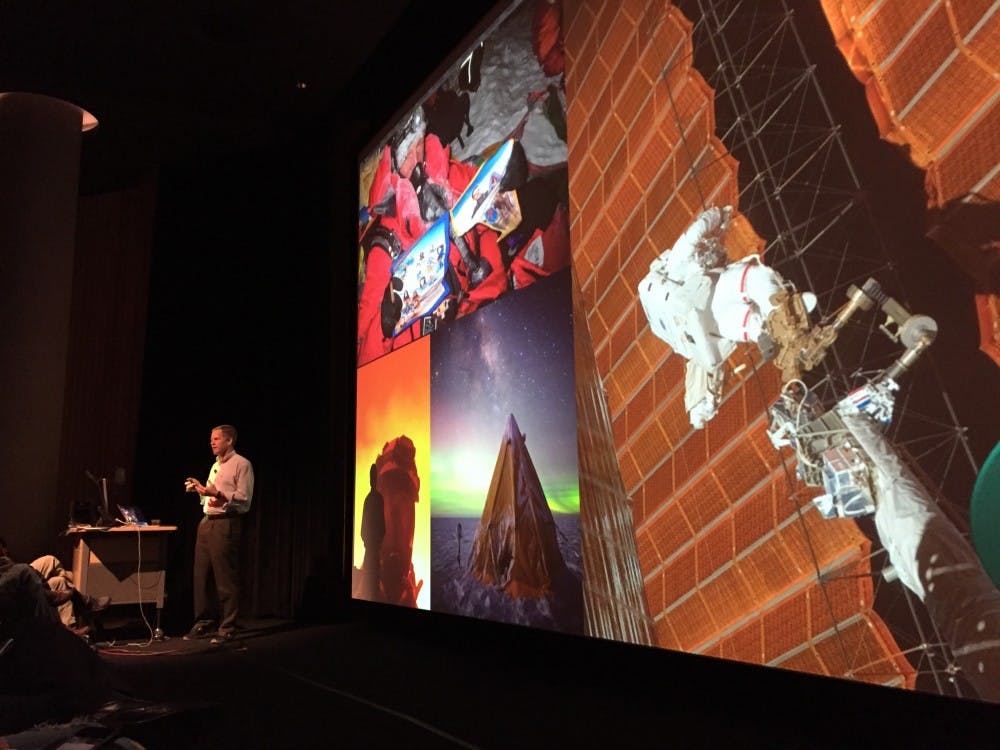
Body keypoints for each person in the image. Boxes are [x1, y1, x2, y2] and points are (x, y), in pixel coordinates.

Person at [183, 424, 254, 644]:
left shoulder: (242, 464)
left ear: (229, 440)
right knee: (201, 576)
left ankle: (228, 626)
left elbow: (244, 499)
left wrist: (219, 493)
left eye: (216, 439)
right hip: (206, 522)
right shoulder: (215, 466)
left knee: (225, 577)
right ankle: (203, 623)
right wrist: (200, 491)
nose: (211, 442)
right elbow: (209, 499)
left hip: (226, 523)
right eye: (211, 439)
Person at [359, 463, 385, 601]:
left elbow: (363, 530)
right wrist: (376, 544)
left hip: (370, 550)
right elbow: (381, 526)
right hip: (372, 551)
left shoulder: (369, 500)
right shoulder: (375, 499)